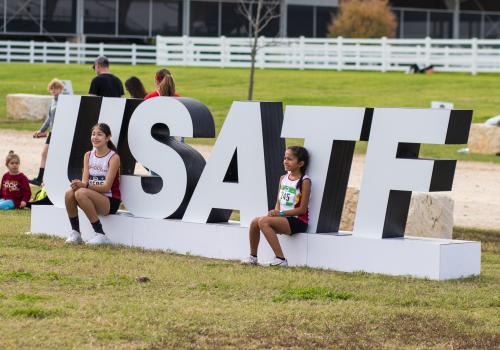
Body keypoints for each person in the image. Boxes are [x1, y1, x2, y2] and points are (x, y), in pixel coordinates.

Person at [243, 146, 311, 267]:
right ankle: (253, 257)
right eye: (285, 158)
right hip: (283, 218)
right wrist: (275, 212)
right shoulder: (283, 178)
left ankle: (281, 259)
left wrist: (279, 214)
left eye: (289, 159)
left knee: (263, 221)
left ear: (300, 163)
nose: (285, 161)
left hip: (297, 220)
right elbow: (279, 202)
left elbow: (302, 210)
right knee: (255, 222)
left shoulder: (305, 181)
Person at [64, 123, 121, 245]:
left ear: (107, 137)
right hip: (92, 196)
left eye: (99, 134)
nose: (95, 137)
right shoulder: (88, 155)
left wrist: (85, 186)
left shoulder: (113, 157)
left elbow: (106, 187)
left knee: (81, 192)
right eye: (93, 134)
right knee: (69, 193)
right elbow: (85, 182)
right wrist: (78, 184)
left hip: (109, 200)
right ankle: (76, 233)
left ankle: (100, 234)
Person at [30, 78, 65, 186]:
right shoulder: (53, 101)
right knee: (44, 153)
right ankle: (40, 178)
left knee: (56, 155)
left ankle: (53, 178)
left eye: (56, 88)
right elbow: (49, 119)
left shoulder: (64, 101)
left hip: (60, 132)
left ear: (61, 89)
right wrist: (41, 130)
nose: (54, 90)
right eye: (52, 88)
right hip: (53, 132)